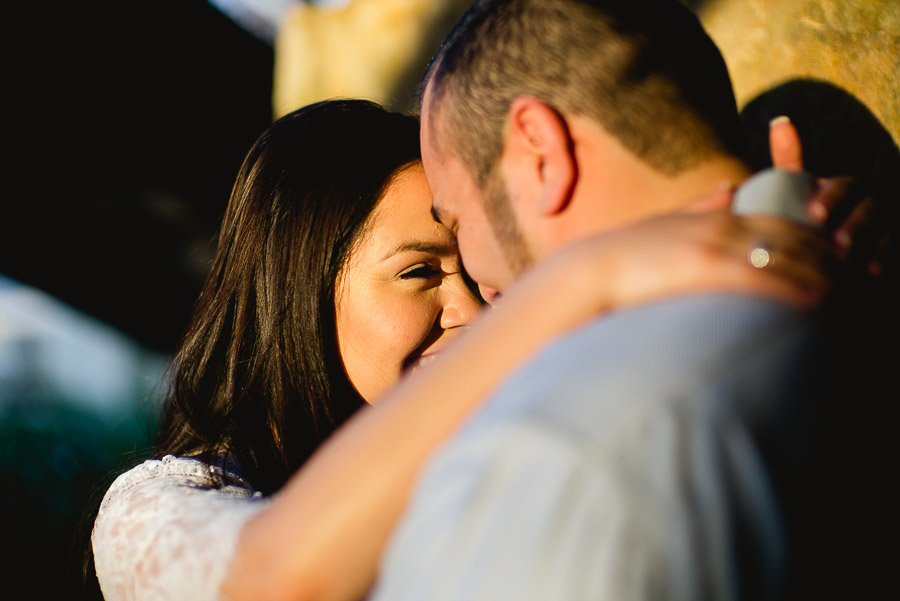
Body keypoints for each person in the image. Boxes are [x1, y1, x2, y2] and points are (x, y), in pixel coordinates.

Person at [89, 95, 829, 601]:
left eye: (476, 275)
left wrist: (782, 246)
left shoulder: (495, 460)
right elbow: (278, 582)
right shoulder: (150, 512)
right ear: (298, 291)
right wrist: (583, 278)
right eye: (419, 273)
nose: (474, 314)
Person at [366, 1, 868, 600]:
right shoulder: (856, 274)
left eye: (456, 220)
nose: (478, 291)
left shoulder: (557, 455)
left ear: (540, 151)